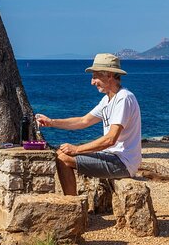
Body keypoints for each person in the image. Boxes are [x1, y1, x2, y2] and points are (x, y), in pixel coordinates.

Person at [35, 53, 141, 195]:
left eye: (95, 76)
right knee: (61, 153)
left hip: (123, 163)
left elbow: (110, 139)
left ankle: (72, 205)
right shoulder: (107, 100)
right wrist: (51, 122)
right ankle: (72, 202)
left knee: (63, 158)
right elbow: (83, 121)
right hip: (113, 157)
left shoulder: (124, 99)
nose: (92, 82)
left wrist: (77, 149)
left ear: (109, 75)